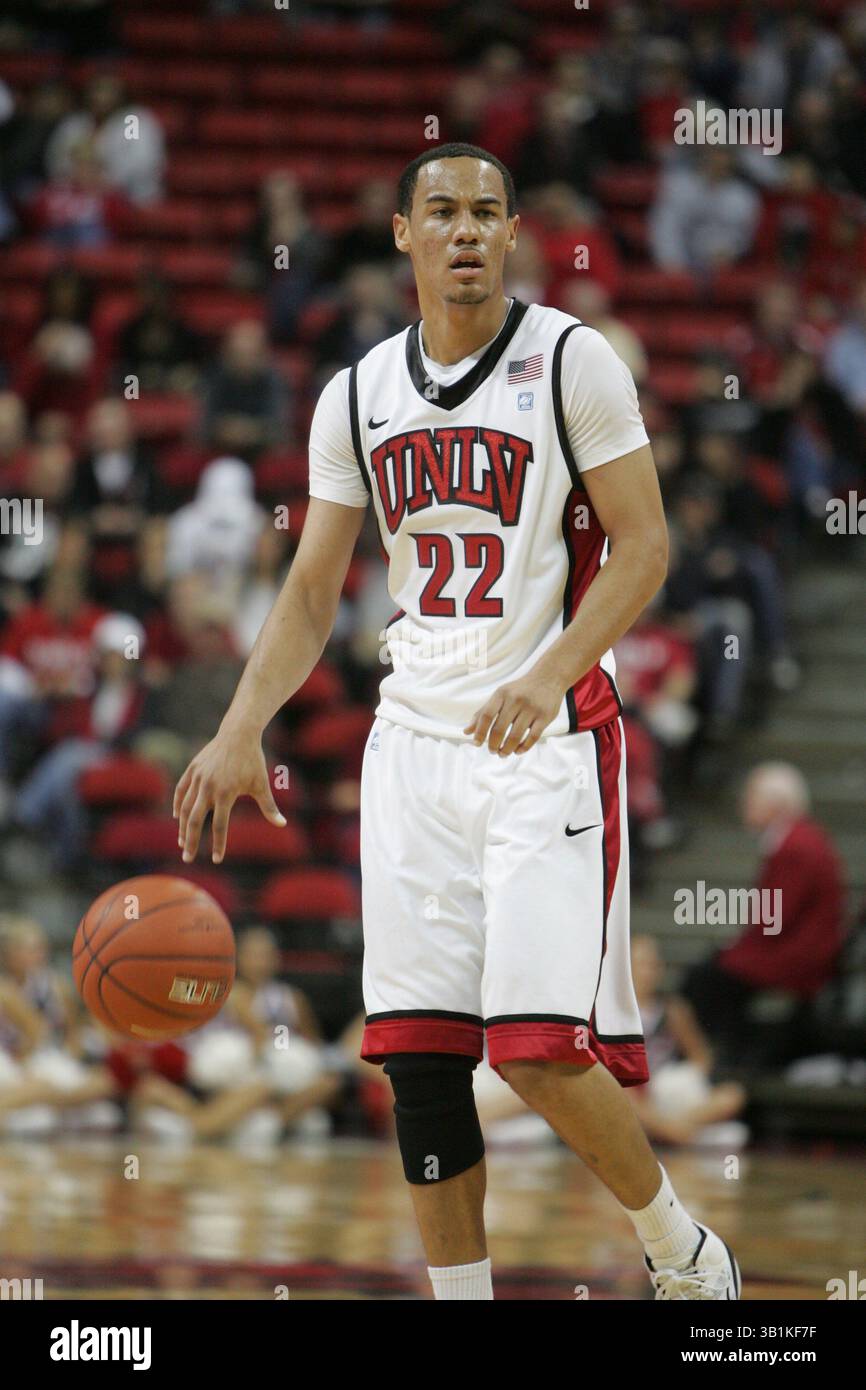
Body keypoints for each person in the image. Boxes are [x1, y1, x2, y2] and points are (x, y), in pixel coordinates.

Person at [173, 144, 740, 1301]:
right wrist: (240, 726)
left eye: (487, 210)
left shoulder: (573, 361)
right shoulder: (356, 393)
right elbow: (312, 589)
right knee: (420, 1065)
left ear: (514, 232)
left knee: (534, 1050)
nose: (466, 228)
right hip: (412, 752)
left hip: (545, 744)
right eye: (442, 210)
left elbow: (643, 548)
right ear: (402, 234)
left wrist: (550, 671)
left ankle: (680, 1247)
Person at [683, 763, 847, 1069]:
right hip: (797, 949)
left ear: (776, 804)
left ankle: (723, 1059)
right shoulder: (799, 840)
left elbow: (774, 917)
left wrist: (735, 948)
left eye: (752, 797)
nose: (744, 804)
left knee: (707, 978)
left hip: (798, 957)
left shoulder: (796, 847)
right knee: (714, 971)